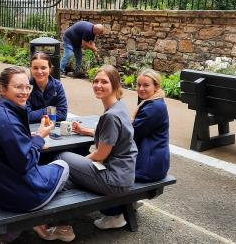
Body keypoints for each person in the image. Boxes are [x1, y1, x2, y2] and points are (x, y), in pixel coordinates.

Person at [0, 66, 75, 242]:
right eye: (18, 87)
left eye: (27, 87)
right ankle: (56, 223)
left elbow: (8, 140)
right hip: (19, 196)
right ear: (3, 88)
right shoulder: (7, 121)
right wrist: (40, 137)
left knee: (51, 163)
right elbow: (25, 163)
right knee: (64, 164)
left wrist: (23, 137)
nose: (25, 92)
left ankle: (26, 225)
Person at [57, 65, 137, 228]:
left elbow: (100, 154)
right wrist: (84, 131)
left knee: (63, 157)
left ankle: (58, 221)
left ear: (114, 85)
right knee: (70, 175)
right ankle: (61, 222)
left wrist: (80, 162)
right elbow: (112, 137)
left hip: (115, 180)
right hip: (126, 174)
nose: (98, 85)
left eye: (104, 82)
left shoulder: (110, 116)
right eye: (95, 81)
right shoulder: (119, 106)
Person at [94, 68, 170, 229]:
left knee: (105, 170)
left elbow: (130, 133)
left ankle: (115, 213)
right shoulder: (152, 102)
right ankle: (128, 204)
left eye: (146, 85)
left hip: (148, 166)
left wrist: (103, 136)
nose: (141, 89)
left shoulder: (154, 108)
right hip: (153, 160)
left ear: (156, 87)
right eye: (139, 85)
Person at [27, 51, 68, 123]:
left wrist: (36, 114)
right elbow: (27, 116)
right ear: (31, 69)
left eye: (43, 68)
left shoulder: (58, 85)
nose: (39, 71)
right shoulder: (26, 87)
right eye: (35, 68)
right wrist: (49, 110)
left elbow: (62, 114)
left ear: (50, 69)